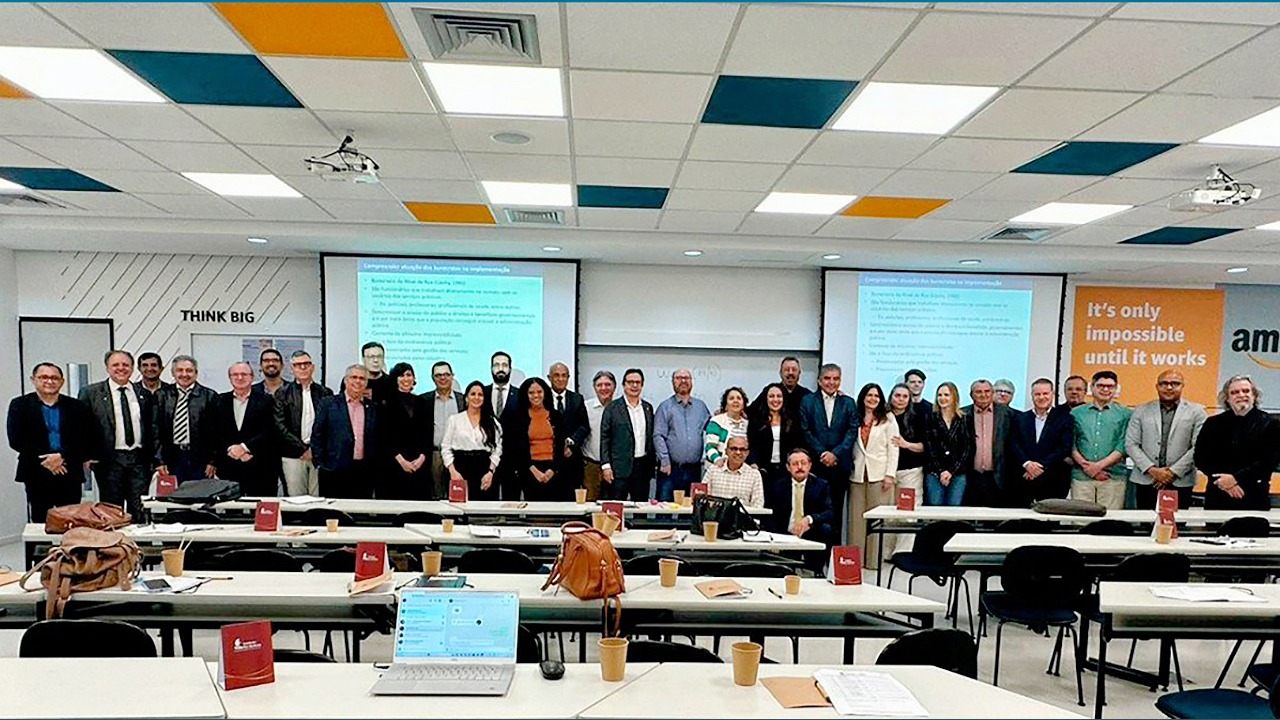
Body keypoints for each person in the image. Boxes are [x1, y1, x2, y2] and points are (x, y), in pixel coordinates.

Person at [7, 363, 95, 521]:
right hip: (36, 470)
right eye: (43, 377)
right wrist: (49, 459)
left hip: (69, 470)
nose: (49, 381)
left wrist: (62, 457)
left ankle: (68, 547)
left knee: (71, 519)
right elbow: (16, 439)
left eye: (54, 378)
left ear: (62, 381)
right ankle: (41, 547)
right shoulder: (20, 405)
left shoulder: (77, 407)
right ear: (33, 380)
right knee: (40, 519)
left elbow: (85, 438)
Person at [80, 349, 154, 519]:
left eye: (125, 365)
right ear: (107, 368)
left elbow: (152, 427)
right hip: (108, 460)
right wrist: (86, 455)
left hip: (139, 461)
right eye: (116, 365)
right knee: (111, 509)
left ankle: (138, 544)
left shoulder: (143, 394)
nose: (121, 368)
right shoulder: (91, 393)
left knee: (140, 509)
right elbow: (82, 427)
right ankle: (114, 544)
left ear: (132, 368)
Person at [1194, 375, 1280, 511]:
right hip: (1218, 493)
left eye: (1246, 391)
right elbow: (1201, 458)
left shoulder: (1271, 423)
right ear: (1227, 399)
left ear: (1255, 395)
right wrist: (1226, 483)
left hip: (1254, 495)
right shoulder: (1213, 423)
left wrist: (1235, 479)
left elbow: (1270, 460)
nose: (1241, 395)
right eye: (1234, 392)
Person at [1125, 370, 1206, 510]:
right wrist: (1152, 470)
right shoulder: (1141, 410)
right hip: (1146, 480)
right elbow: (1131, 444)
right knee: (1146, 526)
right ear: (1157, 386)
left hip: (1180, 480)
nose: (1169, 387)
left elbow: (1198, 447)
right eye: (1164, 383)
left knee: (1176, 526)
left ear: (1182, 386)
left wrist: (1172, 472)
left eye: (1174, 384)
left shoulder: (1197, 412)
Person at [202, 362, 282, 497]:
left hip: (259, 464)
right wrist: (232, 450)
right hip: (229, 464)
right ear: (230, 378)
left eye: (244, 374)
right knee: (231, 510)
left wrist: (244, 448)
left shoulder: (267, 401)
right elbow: (213, 432)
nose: (240, 377)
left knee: (260, 509)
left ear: (252, 377)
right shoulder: (219, 401)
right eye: (235, 374)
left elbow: (270, 430)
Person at [799, 363, 856, 538]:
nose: (831, 382)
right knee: (813, 510)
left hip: (839, 466)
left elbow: (852, 430)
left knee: (836, 511)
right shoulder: (808, 401)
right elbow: (805, 430)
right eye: (827, 378)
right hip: (816, 465)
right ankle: (813, 557)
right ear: (819, 380)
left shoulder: (848, 402)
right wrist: (823, 453)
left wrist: (836, 453)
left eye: (836, 378)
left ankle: (833, 559)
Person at [311, 364, 379, 499]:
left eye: (362, 378)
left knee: (360, 513)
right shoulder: (328, 403)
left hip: (363, 471)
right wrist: (322, 464)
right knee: (333, 515)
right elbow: (317, 435)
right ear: (346, 380)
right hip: (333, 470)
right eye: (354, 377)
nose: (358, 381)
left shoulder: (372, 407)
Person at [850, 383, 899, 564]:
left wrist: (890, 474)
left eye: (876, 396)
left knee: (876, 519)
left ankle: (873, 561)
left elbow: (894, 448)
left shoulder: (888, 418)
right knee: (857, 520)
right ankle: (856, 560)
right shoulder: (854, 416)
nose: (872, 399)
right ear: (863, 397)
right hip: (856, 473)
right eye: (869, 395)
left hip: (879, 474)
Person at [765, 448, 835, 571]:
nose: (799, 467)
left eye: (803, 463)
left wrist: (809, 519)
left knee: (826, 529)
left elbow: (829, 512)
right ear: (788, 467)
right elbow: (771, 514)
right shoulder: (777, 486)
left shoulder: (821, 485)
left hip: (809, 531)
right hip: (785, 532)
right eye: (795, 464)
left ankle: (818, 570)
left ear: (810, 465)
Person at [1009, 378, 1074, 506]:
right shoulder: (1020, 418)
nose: (1041, 397)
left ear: (1052, 395)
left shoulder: (1065, 418)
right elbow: (1014, 443)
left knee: (1050, 520)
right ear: (1032, 396)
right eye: (1037, 394)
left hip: (1053, 478)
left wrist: (1040, 466)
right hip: (1024, 477)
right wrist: (1027, 464)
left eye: (1045, 393)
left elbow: (1064, 447)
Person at [1070, 370, 1131, 509]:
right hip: (1082, 477)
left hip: (1112, 477)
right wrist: (1087, 467)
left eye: (1110, 386)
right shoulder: (1076, 413)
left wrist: (1098, 467)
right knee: (1080, 522)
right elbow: (1071, 444)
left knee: (1109, 524)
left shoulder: (1126, 414)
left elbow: (1123, 445)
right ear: (1092, 387)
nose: (1105, 389)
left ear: (1116, 389)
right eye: (1101, 385)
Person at [275, 350, 332, 497]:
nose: (302, 368)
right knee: (295, 498)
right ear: (291, 368)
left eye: (306, 364)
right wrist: (302, 449)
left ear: (312, 367)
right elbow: (280, 426)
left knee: (318, 498)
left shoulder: (325, 392)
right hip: (293, 455)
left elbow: (329, 426)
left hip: (318, 455)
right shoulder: (282, 393)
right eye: (298, 365)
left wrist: (314, 449)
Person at [153, 355, 217, 484]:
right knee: (173, 500)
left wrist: (212, 461)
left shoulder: (209, 396)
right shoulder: (161, 395)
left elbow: (216, 432)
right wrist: (159, 460)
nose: (184, 374)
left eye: (189, 370)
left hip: (200, 460)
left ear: (196, 373)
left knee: (199, 499)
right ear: (173, 373)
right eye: (180, 370)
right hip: (171, 459)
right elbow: (155, 430)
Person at [505, 377, 568, 501]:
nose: (536, 396)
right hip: (530, 470)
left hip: (553, 470)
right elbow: (517, 449)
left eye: (539, 392)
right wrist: (534, 471)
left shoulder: (555, 416)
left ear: (545, 393)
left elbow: (560, 446)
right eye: (531, 393)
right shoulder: (518, 417)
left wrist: (552, 470)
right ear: (525, 395)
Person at [653, 368, 710, 502]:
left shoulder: (701, 407)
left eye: (687, 378)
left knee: (691, 512)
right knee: (664, 511)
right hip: (670, 469)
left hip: (695, 470)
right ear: (673, 382)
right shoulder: (665, 407)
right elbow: (658, 436)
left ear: (691, 382)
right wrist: (665, 461)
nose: (683, 381)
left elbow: (712, 429)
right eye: (679, 378)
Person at [600, 368, 655, 502]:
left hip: (642, 468)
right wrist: (606, 466)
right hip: (618, 469)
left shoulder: (648, 408)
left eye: (637, 382)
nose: (634, 385)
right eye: (630, 382)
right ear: (624, 385)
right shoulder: (612, 408)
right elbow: (604, 438)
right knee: (616, 509)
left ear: (642, 385)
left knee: (641, 508)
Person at [379, 362, 432, 500]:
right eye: (401, 375)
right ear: (395, 379)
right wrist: (402, 461)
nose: (406, 379)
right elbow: (384, 436)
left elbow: (428, 433)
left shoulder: (423, 402)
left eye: (409, 375)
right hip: (395, 464)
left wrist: (421, 458)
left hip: (419, 464)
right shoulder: (386, 403)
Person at [442, 381, 502, 501]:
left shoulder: (492, 422)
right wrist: (453, 472)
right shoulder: (454, 420)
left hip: (484, 469)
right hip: (460, 468)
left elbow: (497, 449)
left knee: (484, 511)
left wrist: (490, 472)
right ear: (466, 397)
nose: (476, 397)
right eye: (473, 394)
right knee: (459, 508)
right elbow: (446, 447)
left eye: (480, 394)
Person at [962, 379, 1012, 507]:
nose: (983, 395)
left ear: (992, 393)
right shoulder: (962, 414)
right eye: (978, 392)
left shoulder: (1008, 414)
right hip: (970, 476)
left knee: (995, 520)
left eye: (987, 391)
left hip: (997, 476)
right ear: (971, 395)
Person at [548, 362, 590, 497]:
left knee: (571, 501)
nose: (560, 379)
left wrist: (570, 443)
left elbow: (584, 426)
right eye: (556, 375)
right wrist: (558, 446)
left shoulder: (577, 399)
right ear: (549, 378)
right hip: (549, 459)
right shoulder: (543, 399)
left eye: (564, 376)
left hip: (571, 459)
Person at [747, 382, 803, 482]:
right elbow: (752, 445)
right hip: (762, 470)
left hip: (787, 470)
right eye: (771, 396)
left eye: (779, 396)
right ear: (766, 399)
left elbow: (798, 444)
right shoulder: (756, 420)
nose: (775, 400)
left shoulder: (792, 420)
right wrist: (754, 463)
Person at [925, 382, 969, 506]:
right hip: (934, 473)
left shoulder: (964, 419)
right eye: (939, 395)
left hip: (957, 473)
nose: (942, 398)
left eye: (946, 395)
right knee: (935, 508)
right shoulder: (930, 418)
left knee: (954, 509)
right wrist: (941, 471)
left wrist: (951, 471)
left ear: (954, 397)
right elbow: (930, 448)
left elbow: (966, 449)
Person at [425, 361, 465, 499]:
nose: (443, 378)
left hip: (457, 455)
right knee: (435, 494)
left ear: (452, 376)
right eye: (438, 375)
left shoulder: (463, 400)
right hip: (434, 455)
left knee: (457, 494)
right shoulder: (424, 400)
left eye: (446, 374)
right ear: (432, 378)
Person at [485, 351, 519, 499]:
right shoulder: (482, 393)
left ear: (510, 369)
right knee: (487, 501)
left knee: (512, 499)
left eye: (504, 365)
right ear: (491, 368)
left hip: (513, 459)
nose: (500, 368)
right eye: (496, 365)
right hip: (487, 458)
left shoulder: (520, 395)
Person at [888, 383, 926, 508]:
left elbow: (925, 447)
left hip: (910, 472)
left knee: (908, 512)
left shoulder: (918, 417)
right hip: (885, 472)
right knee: (887, 513)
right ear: (891, 397)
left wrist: (906, 444)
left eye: (905, 396)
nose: (900, 399)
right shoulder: (883, 417)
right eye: (897, 395)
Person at [581, 370, 615, 502]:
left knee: (612, 505)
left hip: (614, 466)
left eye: (608, 384)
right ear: (594, 387)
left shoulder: (620, 408)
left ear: (614, 386)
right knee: (589, 504)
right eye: (599, 385)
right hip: (591, 466)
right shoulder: (585, 407)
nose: (604, 388)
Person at [704, 436, 764, 508]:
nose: (738, 452)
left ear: (747, 453)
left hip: (743, 517)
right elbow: (702, 497)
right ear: (726, 451)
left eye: (742, 449)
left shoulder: (754, 474)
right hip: (715, 517)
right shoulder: (713, 470)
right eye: (734, 449)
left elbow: (758, 504)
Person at [704, 386, 749, 470]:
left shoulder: (747, 424)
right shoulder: (716, 421)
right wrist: (717, 460)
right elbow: (710, 447)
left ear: (743, 404)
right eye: (731, 398)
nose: (735, 401)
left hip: (741, 473)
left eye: (739, 398)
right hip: (717, 469)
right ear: (726, 405)